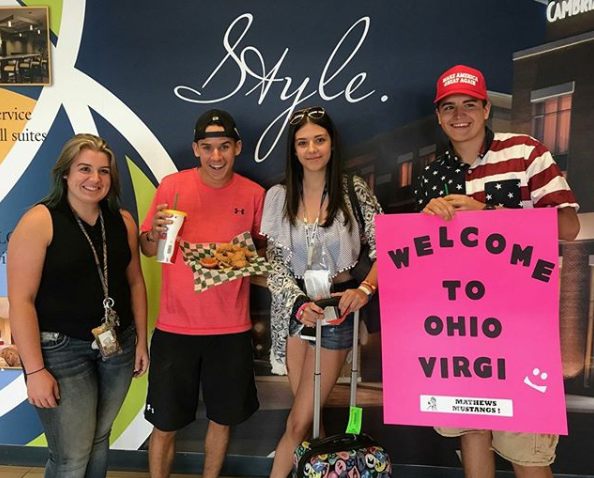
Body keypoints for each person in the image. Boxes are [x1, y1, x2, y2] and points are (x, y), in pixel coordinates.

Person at [415, 65, 580, 478]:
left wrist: (488, 212)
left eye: (469, 104)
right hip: (459, 326)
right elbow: (426, 257)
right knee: (471, 430)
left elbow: (568, 227)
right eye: (449, 107)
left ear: (487, 108)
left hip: (521, 327)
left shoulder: (526, 151)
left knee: (528, 446)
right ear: (438, 116)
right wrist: (424, 223)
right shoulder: (433, 174)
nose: (459, 115)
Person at [7, 133, 149, 478]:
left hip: (118, 345)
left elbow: (135, 283)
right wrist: (35, 371)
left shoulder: (123, 221)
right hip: (60, 351)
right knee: (70, 455)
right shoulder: (39, 220)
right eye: (84, 169)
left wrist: (142, 341)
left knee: (99, 439)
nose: (95, 179)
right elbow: (21, 302)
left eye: (103, 171)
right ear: (66, 174)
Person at [139, 109, 264, 478]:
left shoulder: (254, 194)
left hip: (231, 330)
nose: (216, 156)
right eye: (208, 147)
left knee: (223, 420)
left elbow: (264, 253)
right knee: (164, 424)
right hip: (174, 328)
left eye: (224, 146)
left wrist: (245, 260)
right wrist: (154, 234)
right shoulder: (171, 186)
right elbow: (148, 248)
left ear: (237, 147)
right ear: (195, 149)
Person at [261, 106, 382, 477]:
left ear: (331, 143)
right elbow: (275, 264)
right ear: (293, 150)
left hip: (338, 311)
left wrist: (365, 288)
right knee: (310, 424)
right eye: (303, 142)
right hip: (297, 313)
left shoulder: (352, 189)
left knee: (297, 425)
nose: (312, 149)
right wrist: (297, 303)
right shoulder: (279, 196)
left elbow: (389, 249)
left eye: (319, 139)